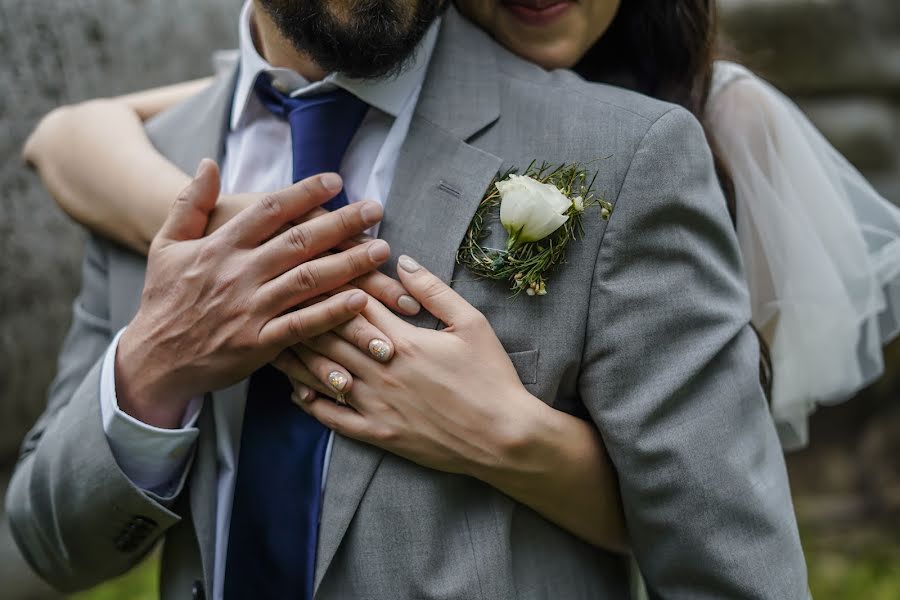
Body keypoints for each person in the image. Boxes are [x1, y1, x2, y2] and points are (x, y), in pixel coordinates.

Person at [8, 0, 808, 598]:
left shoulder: (628, 153)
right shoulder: (156, 167)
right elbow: (51, 544)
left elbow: (732, 565)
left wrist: (508, 433)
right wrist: (153, 369)